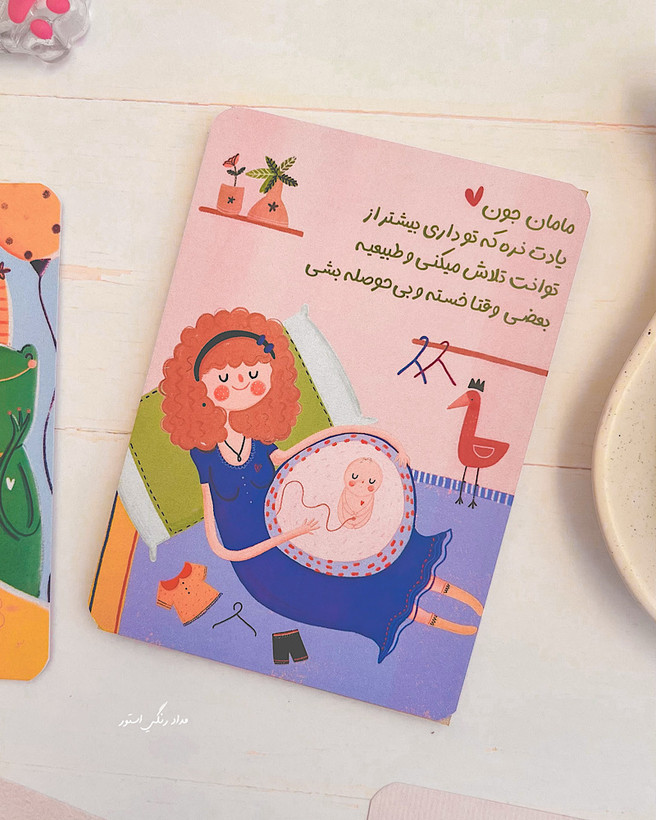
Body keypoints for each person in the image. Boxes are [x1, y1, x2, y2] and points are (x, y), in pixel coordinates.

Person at [160, 307, 482, 662]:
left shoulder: (260, 441)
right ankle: (431, 621)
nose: (240, 385)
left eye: (252, 375)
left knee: (371, 556)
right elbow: (220, 548)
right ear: (197, 388)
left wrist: (387, 442)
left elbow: (310, 446)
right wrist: (285, 537)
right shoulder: (203, 454)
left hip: (296, 531)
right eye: (224, 377)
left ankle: (448, 595)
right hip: (262, 563)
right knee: (344, 597)